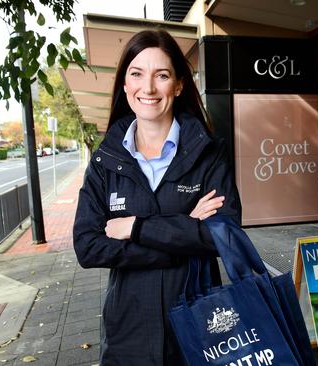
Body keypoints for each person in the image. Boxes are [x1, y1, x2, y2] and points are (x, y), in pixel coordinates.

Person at [72, 29, 241, 365]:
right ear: (124, 84)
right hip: (128, 332)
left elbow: (223, 234)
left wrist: (136, 227)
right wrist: (182, 235)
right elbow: (87, 246)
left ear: (178, 85)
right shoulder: (106, 159)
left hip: (200, 323)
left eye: (161, 75)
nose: (147, 88)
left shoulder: (209, 153)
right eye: (136, 74)